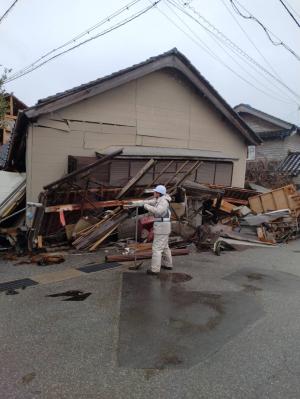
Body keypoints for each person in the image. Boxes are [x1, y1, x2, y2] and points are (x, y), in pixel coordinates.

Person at [143, 185, 173, 275]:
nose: (154, 193)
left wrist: (146, 206)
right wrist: (143, 202)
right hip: (163, 226)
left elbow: (158, 211)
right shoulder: (160, 199)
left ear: (159, 193)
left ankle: (155, 270)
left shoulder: (163, 201)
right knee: (165, 247)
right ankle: (168, 264)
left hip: (162, 227)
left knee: (157, 248)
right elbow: (152, 201)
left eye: (155, 192)